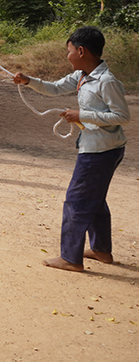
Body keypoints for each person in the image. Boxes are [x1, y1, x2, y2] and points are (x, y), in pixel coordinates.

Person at [12, 26, 130, 272]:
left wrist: (82, 114)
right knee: (95, 200)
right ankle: (101, 250)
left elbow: (121, 116)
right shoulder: (81, 76)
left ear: (81, 50)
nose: (67, 56)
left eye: (68, 51)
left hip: (101, 150)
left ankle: (70, 258)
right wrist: (28, 81)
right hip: (97, 146)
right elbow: (54, 88)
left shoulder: (106, 81)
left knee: (76, 201)